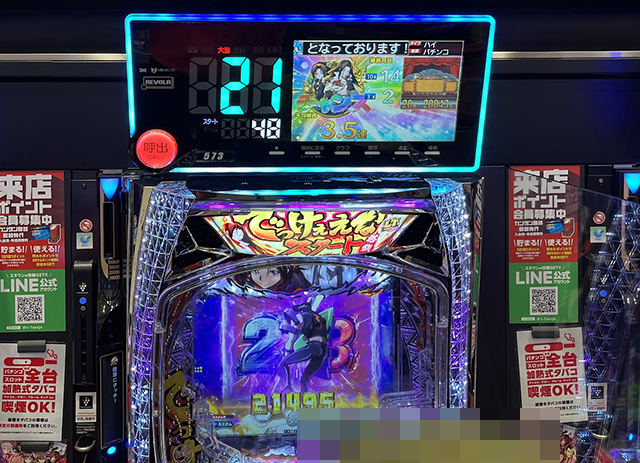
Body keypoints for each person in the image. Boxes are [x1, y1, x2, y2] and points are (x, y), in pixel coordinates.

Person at [281, 299, 331, 393]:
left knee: (283, 363)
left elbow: (306, 331)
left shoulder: (306, 315)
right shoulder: (321, 317)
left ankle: (287, 386)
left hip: (313, 348)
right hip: (323, 351)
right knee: (304, 380)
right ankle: (303, 396)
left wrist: (299, 328)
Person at [233, 266, 310, 293]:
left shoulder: (295, 282)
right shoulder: (245, 280)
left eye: (273, 272)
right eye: (256, 272)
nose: (263, 279)